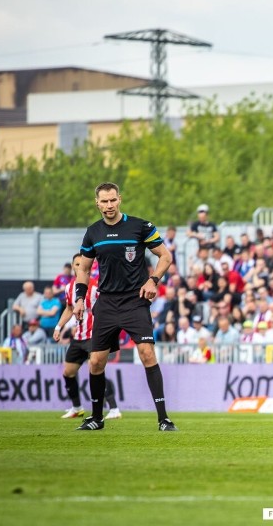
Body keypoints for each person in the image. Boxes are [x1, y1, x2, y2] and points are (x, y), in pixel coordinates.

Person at [73, 182, 176, 431]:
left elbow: (166, 256)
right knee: (96, 362)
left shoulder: (140, 226)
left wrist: (153, 280)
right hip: (106, 303)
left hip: (134, 300)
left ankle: (164, 419)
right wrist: (79, 298)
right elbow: (84, 269)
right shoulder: (93, 233)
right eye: (104, 201)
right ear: (97, 203)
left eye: (113, 200)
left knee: (147, 354)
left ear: (119, 199)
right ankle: (97, 418)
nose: (109, 205)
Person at [54, 253, 120, 420]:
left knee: (96, 368)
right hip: (78, 337)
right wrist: (59, 327)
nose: (80, 267)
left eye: (82, 264)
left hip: (95, 335)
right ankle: (76, 407)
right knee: (68, 371)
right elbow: (69, 309)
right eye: (76, 264)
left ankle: (113, 408)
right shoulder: (69, 288)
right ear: (73, 267)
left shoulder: (97, 286)